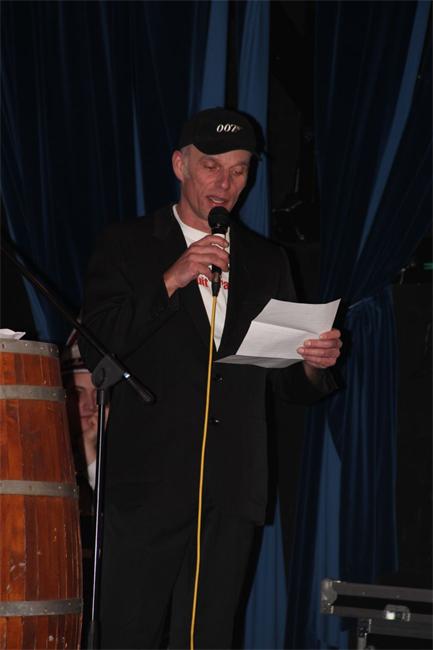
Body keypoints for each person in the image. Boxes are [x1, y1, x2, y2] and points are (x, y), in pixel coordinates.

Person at [79, 106, 342, 649]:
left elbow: (286, 385)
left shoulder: (268, 261)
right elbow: (96, 346)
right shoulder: (128, 244)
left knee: (209, 638)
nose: (226, 183)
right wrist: (170, 280)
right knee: (127, 636)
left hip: (230, 489)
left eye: (240, 170)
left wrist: (312, 364)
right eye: (212, 166)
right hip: (147, 488)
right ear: (180, 165)